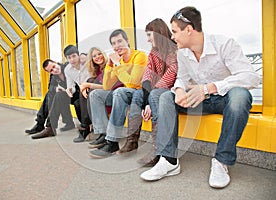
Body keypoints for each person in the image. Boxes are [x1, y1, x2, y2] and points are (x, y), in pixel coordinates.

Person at [140, 7, 260, 189]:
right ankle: (169, 160)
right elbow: (181, 78)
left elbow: (251, 77)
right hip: (196, 100)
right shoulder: (182, 53)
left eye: (174, 32)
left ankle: (221, 161)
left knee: (241, 96)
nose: (172, 37)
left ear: (188, 30)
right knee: (162, 96)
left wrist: (209, 88)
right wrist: (179, 90)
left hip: (222, 99)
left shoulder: (225, 44)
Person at [116, 18, 178, 167]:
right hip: (156, 91)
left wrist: (149, 102)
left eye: (150, 35)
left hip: (171, 92)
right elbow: (147, 76)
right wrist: (145, 103)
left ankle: (157, 150)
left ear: (158, 33)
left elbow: (168, 80)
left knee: (156, 96)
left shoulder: (175, 51)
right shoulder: (153, 53)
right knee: (138, 94)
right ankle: (132, 140)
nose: (148, 40)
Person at [89, 29, 148, 158]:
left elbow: (133, 83)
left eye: (120, 41)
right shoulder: (118, 61)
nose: (117, 46)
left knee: (119, 91)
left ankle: (112, 141)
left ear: (127, 41)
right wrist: (110, 66)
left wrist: (116, 64)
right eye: (114, 43)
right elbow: (106, 86)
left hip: (139, 93)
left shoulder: (139, 56)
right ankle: (104, 135)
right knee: (96, 95)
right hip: (125, 94)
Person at [31, 59, 75, 139]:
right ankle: (42, 124)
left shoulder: (67, 67)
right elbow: (50, 88)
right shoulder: (53, 76)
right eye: (51, 70)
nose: (54, 70)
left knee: (57, 96)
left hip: (77, 94)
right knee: (51, 94)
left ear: (56, 62)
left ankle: (48, 126)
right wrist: (56, 88)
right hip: (66, 96)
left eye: (54, 66)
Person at [73, 47, 108, 142]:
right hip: (99, 95)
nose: (97, 57)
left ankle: (85, 127)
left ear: (103, 54)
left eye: (99, 54)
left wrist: (87, 85)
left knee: (89, 82)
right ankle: (85, 126)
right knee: (86, 87)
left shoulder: (109, 65)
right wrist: (84, 87)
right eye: (94, 56)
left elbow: (107, 86)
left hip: (111, 94)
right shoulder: (96, 70)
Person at [63, 45, 91, 141]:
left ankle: (84, 128)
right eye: (69, 57)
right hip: (82, 90)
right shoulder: (67, 69)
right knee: (76, 102)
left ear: (78, 55)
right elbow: (70, 85)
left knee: (82, 92)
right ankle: (85, 125)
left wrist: (86, 56)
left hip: (94, 86)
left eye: (74, 56)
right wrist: (70, 89)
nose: (72, 59)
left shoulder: (86, 61)